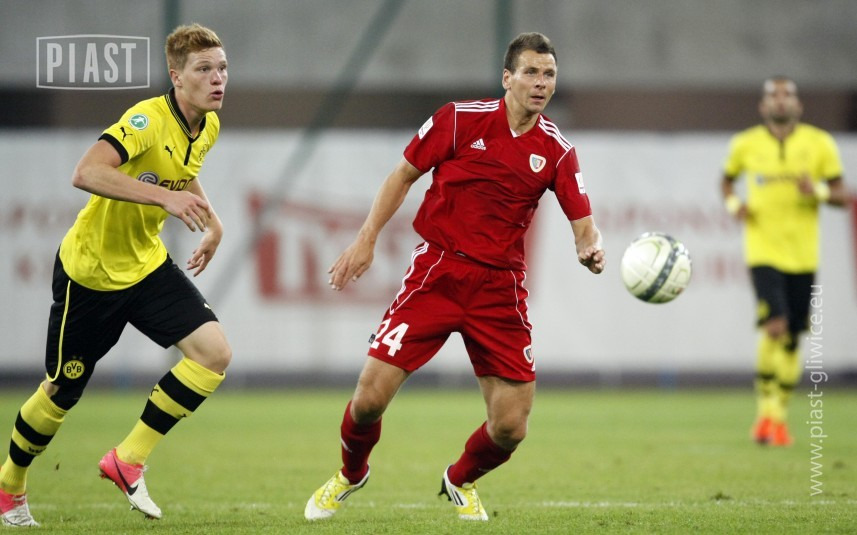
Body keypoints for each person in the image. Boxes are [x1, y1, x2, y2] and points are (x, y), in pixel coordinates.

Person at [304, 32, 605, 522]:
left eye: (549, 74)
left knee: (511, 427)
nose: (541, 82)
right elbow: (402, 175)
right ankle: (350, 473)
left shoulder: (557, 151)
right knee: (368, 400)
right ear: (507, 78)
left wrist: (589, 248)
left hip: (500, 289)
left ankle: (459, 479)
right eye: (531, 72)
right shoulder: (459, 119)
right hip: (438, 272)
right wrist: (366, 239)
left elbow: (585, 226)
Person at [0, 24, 231, 527]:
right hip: (91, 274)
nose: (217, 79)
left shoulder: (207, 125)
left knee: (213, 355)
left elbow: (183, 168)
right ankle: (9, 485)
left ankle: (127, 460)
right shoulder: (146, 119)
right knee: (61, 391)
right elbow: (86, 172)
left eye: (222, 68)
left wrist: (212, 221)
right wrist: (165, 198)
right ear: (176, 77)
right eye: (204, 69)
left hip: (145, 266)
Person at [721, 76, 847, 447]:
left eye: (787, 94)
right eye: (773, 95)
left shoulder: (820, 144)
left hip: (803, 254)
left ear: (798, 105)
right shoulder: (745, 144)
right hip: (763, 250)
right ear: (763, 106)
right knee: (773, 326)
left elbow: (842, 195)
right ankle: (766, 415)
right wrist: (735, 205)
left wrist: (817, 190)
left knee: (792, 336)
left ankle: (779, 418)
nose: (780, 100)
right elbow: (726, 183)